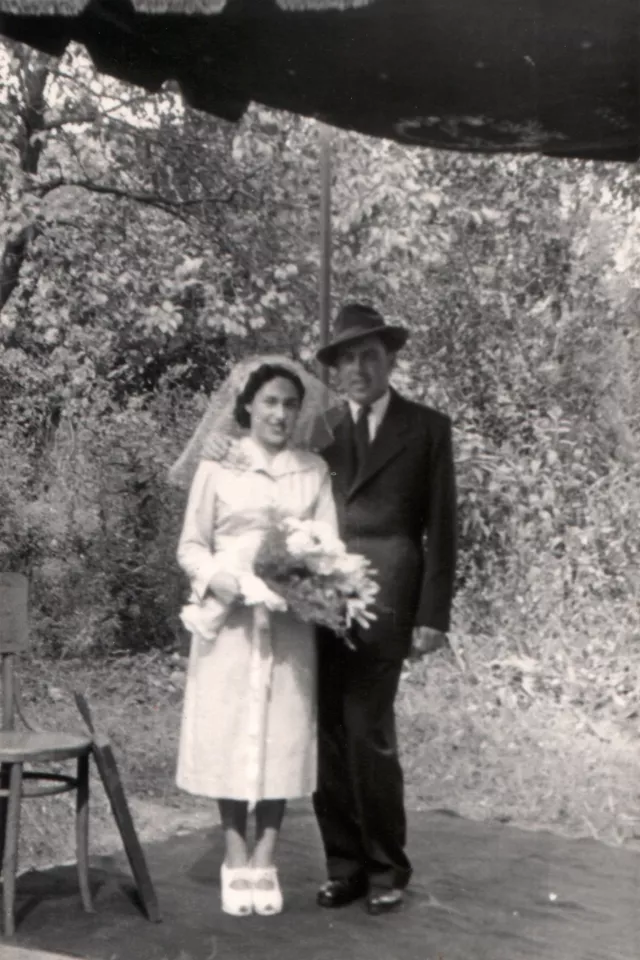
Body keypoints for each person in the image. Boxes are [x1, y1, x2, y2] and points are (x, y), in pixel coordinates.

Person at [171, 358, 338, 918]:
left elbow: (328, 548)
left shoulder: (311, 470)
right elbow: (191, 546)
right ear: (248, 406)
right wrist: (222, 578)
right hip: (229, 622)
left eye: (290, 404)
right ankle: (234, 854)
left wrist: (299, 578)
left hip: (287, 625)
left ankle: (267, 856)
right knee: (228, 730)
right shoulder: (219, 466)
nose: (280, 413)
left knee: (281, 735)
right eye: (269, 402)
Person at [311, 302, 457, 916]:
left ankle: (388, 867)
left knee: (370, 733)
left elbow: (442, 529)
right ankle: (343, 866)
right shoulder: (318, 430)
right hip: (318, 599)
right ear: (337, 369)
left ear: (390, 359)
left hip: (391, 598)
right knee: (329, 736)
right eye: (347, 358)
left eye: (370, 355)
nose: (359, 367)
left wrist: (433, 615)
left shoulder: (426, 427)